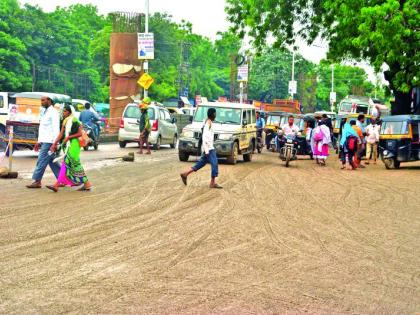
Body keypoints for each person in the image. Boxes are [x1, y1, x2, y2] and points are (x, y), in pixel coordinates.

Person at [46, 105, 92, 192]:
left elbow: (79, 133)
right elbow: (61, 134)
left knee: (66, 164)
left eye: (65, 111)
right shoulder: (65, 121)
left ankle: (56, 185)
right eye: (63, 111)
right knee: (75, 165)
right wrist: (55, 143)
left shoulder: (74, 120)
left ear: (70, 112)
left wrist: (68, 137)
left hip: (74, 145)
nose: (63, 113)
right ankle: (87, 184)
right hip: (68, 145)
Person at [180, 108, 222, 189]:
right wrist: (206, 150)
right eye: (215, 113)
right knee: (215, 164)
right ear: (212, 114)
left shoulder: (208, 122)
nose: (215, 115)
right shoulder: (208, 123)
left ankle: (185, 174)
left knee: (200, 164)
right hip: (209, 148)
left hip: (208, 147)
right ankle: (212, 183)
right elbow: (205, 137)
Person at [26, 96, 61, 189]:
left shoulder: (53, 112)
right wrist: (39, 141)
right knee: (52, 161)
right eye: (41, 100)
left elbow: (56, 128)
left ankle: (37, 181)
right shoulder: (45, 112)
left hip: (49, 141)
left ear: (49, 101)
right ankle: (63, 178)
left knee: (41, 160)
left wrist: (55, 143)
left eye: (43, 100)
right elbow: (43, 129)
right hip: (45, 140)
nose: (41, 102)